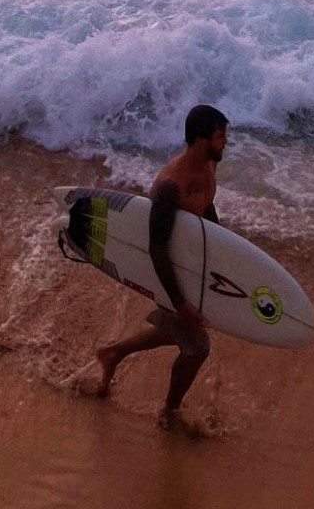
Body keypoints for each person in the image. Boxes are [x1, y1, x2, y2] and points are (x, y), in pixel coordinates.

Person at [90, 104, 228, 429]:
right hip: (166, 266)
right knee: (196, 347)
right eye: (221, 136)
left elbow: (206, 210)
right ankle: (169, 413)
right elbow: (156, 249)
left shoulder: (209, 165)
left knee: (175, 330)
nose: (226, 142)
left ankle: (113, 353)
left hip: (190, 259)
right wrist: (179, 302)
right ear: (200, 139)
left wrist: (221, 250)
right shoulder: (171, 187)